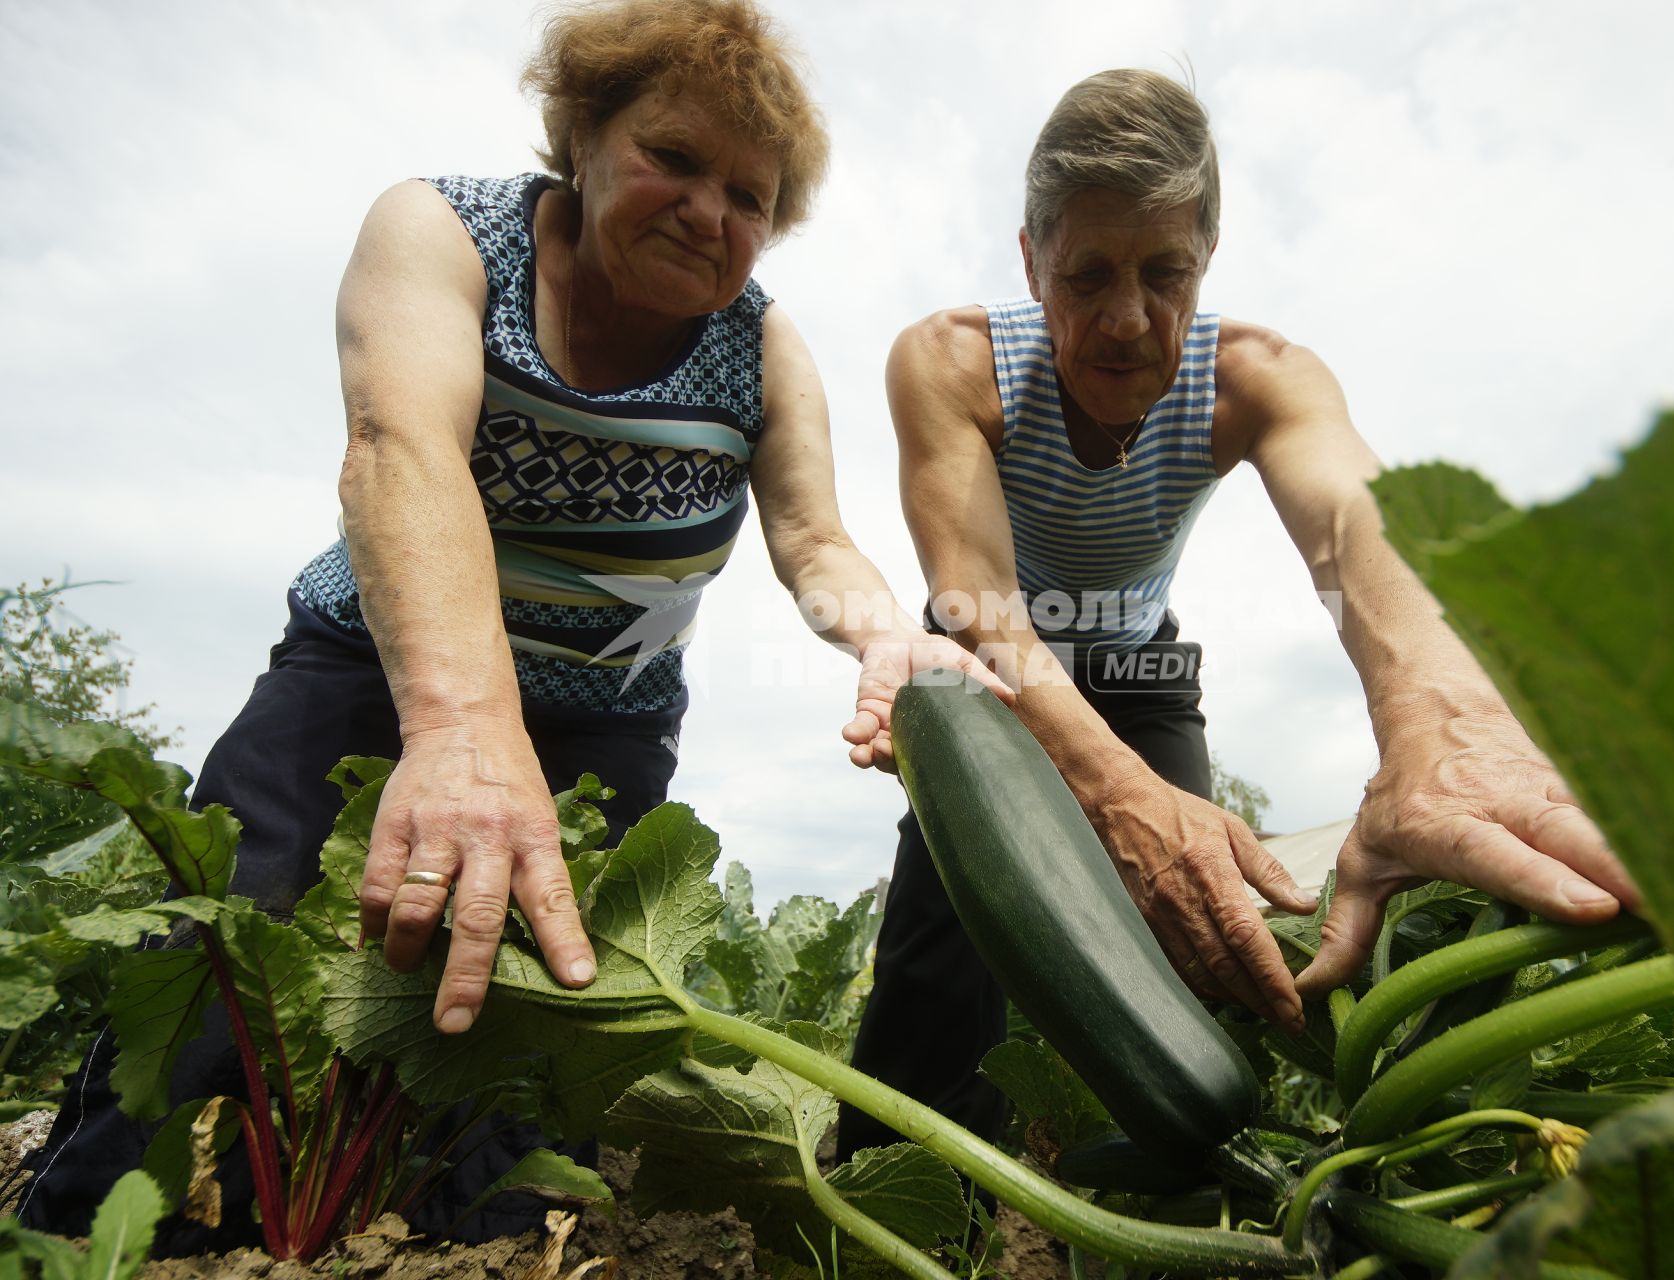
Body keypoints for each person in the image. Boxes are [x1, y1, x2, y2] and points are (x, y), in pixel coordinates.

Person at [21, 0, 997, 1249]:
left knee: (527, 1061)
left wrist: (884, 636)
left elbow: (813, 540)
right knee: (228, 970)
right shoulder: (443, 231)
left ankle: (481, 1249)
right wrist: (466, 720)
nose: (709, 211)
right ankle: (97, 1239)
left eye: (749, 196)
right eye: (675, 157)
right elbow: (400, 447)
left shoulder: (757, 344)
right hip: (370, 674)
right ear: (582, 134)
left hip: (604, 728)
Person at [837, 69, 1642, 1163]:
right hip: (986, 666)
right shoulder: (950, 362)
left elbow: (1357, 537)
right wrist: (1119, 794)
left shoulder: (1260, 379)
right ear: (1030, 263)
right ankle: (907, 1192)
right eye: (1086, 275)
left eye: (1164, 272)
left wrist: (1439, 725)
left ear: (1206, 256)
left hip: (1134, 669)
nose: (1127, 319)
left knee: (1197, 945)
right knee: (941, 955)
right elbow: (980, 602)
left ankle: (1147, 1200)